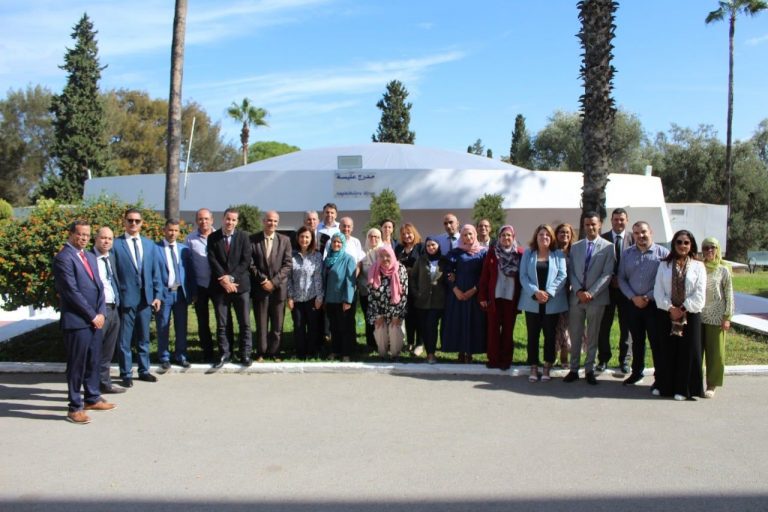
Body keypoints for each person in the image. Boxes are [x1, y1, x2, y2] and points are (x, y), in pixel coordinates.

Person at [53, 220, 115, 424]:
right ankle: (74, 407)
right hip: (78, 322)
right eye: (80, 234)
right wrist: (92, 315)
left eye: (87, 235)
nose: (84, 238)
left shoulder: (89, 256)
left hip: (95, 320)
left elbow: (99, 287)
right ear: (71, 234)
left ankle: (92, 398)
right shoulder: (64, 258)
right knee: (77, 365)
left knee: (93, 361)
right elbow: (71, 292)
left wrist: (101, 312)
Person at [653, 230, 707, 401]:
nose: (682, 245)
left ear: (691, 245)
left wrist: (682, 308)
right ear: (674, 244)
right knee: (667, 350)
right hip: (667, 313)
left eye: (686, 242)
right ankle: (665, 386)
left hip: (690, 314)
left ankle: (684, 389)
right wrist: (671, 308)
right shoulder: (664, 265)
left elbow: (700, 293)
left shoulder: (698, 266)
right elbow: (658, 291)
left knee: (688, 351)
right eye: (679, 242)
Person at [112, 208, 163, 387]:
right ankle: (126, 373)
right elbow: (113, 274)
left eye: (137, 221)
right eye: (130, 220)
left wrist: (158, 295)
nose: (133, 223)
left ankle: (144, 370)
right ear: (124, 222)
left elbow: (156, 272)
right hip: (126, 298)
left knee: (144, 337)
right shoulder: (116, 244)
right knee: (125, 339)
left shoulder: (149, 245)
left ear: (142, 223)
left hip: (146, 299)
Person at [564, 212, 615, 385]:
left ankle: (589, 369)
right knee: (575, 335)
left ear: (599, 224)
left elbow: (607, 274)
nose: (590, 227)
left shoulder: (608, 247)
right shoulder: (576, 246)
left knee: (593, 335)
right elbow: (571, 271)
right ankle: (573, 369)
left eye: (593, 224)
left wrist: (591, 293)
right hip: (576, 298)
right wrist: (578, 291)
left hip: (596, 299)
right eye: (587, 224)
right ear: (583, 226)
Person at [618, 221, 669, 388]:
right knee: (637, 341)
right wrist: (633, 297)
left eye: (644, 232)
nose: (641, 236)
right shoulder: (627, 254)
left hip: (654, 305)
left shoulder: (663, 254)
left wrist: (647, 297)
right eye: (637, 233)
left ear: (651, 232)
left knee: (656, 342)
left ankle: (660, 377)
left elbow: (665, 281)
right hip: (632, 305)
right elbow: (621, 278)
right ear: (633, 235)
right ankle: (636, 373)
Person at [519, 225, 568, 382]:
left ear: (552, 238)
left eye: (547, 234)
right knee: (532, 335)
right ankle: (533, 366)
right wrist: (535, 292)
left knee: (550, 335)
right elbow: (523, 276)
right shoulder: (528, 253)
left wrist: (549, 292)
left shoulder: (558, 254)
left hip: (552, 301)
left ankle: (547, 366)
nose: (544, 237)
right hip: (532, 301)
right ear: (536, 236)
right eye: (541, 234)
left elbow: (562, 275)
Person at [208, 208, 253, 368]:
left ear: (237, 222)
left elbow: (245, 261)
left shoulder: (244, 237)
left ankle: (245, 353)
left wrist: (231, 278)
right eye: (228, 219)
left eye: (234, 220)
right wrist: (224, 280)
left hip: (241, 286)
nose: (230, 222)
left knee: (244, 323)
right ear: (223, 218)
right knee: (223, 323)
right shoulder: (213, 237)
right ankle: (225, 354)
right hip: (220, 287)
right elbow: (212, 260)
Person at [186, 207, 229, 363]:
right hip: (200, 286)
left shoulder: (220, 236)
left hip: (218, 285)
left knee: (222, 320)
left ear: (212, 220)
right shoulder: (190, 239)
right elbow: (188, 264)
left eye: (206, 218)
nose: (203, 221)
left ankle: (224, 352)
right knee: (202, 321)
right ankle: (208, 353)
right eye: (200, 219)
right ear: (197, 220)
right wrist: (192, 289)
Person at [478, 225, 524, 370]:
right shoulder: (492, 253)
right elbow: (485, 276)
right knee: (493, 330)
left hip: (511, 298)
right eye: (503, 235)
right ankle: (493, 359)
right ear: (499, 237)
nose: (506, 238)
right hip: (495, 298)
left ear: (513, 237)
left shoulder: (520, 254)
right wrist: (482, 296)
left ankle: (505, 360)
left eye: (509, 235)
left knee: (508, 331)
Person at [250, 210, 293, 361]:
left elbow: (287, 264)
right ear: (263, 221)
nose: (272, 223)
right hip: (260, 288)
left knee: (277, 324)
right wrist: (263, 280)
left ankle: (274, 352)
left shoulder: (285, 240)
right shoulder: (253, 239)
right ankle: (261, 352)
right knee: (261, 324)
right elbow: (250, 263)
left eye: (275, 221)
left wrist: (273, 282)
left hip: (278, 289)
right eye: (269, 220)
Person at [442, 224, 487, 363]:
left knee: (474, 322)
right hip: (458, 295)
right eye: (465, 235)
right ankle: (461, 351)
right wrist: (455, 289)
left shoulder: (483, 252)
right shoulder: (455, 253)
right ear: (461, 237)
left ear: (475, 235)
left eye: (470, 234)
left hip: (475, 294)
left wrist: (474, 289)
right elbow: (447, 272)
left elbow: (486, 274)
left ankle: (470, 352)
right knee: (459, 322)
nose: (468, 237)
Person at [597, 208, 633, 373]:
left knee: (627, 327)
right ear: (611, 221)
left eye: (622, 219)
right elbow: (598, 263)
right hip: (606, 289)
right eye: (616, 219)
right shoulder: (602, 239)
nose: (619, 222)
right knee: (604, 326)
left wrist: (622, 281)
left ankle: (624, 360)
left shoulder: (633, 238)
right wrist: (610, 278)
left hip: (627, 291)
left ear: (627, 221)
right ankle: (603, 359)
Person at [155, 219, 193, 369]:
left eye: (176, 230)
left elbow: (190, 272)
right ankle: (164, 356)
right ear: (164, 230)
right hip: (165, 293)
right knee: (163, 325)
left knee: (181, 326)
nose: (173, 233)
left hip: (181, 294)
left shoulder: (184, 249)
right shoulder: (155, 248)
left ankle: (181, 355)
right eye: (170, 230)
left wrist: (193, 291)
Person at [91, 226, 125, 394]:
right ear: (96, 239)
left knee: (108, 350)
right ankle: (91, 388)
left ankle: (104, 383)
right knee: (95, 349)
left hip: (114, 307)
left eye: (110, 239)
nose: (106, 241)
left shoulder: (110, 257)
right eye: (103, 238)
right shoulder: (89, 258)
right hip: (99, 309)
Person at [700, 236, 733, 399]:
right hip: (698, 316)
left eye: (712, 247)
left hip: (716, 316)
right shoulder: (698, 267)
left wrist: (727, 317)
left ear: (718, 249)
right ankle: (695, 383)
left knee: (716, 353)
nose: (709, 251)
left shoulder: (723, 269)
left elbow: (729, 294)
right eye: (706, 248)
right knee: (697, 352)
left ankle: (712, 384)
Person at [287, 226, 324, 359]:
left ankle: (311, 352)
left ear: (311, 239)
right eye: (302, 236)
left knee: (313, 326)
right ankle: (300, 353)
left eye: (307, 237)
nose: (304, 239)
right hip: (296, 298)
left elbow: (318, 277)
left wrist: (319, 297)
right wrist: (290, 297)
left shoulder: (317, 256)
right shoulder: (291, 255)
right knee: (298, 325)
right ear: (298, 238)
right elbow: (289, 278)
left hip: (312, 297)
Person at [367, 245, 409, 359]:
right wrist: (378, 315)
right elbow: (371, 295)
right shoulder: (374, 269)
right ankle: (383, 354)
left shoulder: (400, 269)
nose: (385, 259)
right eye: (381, 256)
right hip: (378, 308)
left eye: (387, 256)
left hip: (396, 308)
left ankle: (395, 355)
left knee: (394, 329)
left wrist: (396, 315)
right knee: (380, 329)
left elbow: (404, 295)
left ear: (392, 255)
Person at [323, 232, 358, 362]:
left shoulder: (349, 259)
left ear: (343, 244)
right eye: (334, 241)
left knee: (345, 328)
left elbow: (350, 280)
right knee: (334, 327)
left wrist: (347, 300)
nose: (336, 244)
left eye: (339, 242)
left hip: (343, 300)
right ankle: (335, 350)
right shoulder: (327, 260)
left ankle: (346, 353)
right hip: (330, 299)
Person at [411, 237, 446, 364]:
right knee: (424, 328)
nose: (431, 247)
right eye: (428, 245)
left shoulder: (444, 261)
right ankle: (428, 351)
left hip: (438, 302)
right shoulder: (421, 260)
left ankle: (431, 354)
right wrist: (416, 293)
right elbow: (413, 277)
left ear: (438, 246)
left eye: (433, 245)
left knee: (431, 326)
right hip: (422, 301)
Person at [395, 222, 424, 354]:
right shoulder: (399, 248)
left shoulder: (421, 247)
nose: (406, 236)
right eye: (403, 234)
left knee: (419, 315)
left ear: (414, 233)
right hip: (403, 287)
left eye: (409, 233)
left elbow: (424, 265)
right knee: (408, 315)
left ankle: (420, 344)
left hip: (418, 287)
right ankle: (410, 342)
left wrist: (410, 270)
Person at [358, 228, 384, 350]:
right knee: (368, 318)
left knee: (380, 317)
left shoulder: (384, 251)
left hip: (381, 292)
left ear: (380, 238)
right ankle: (370, 343)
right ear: (367, 238)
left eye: (376, 237)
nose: (373, 239)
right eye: (371, 236)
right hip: (365, 290)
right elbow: (359, 271)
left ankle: (382, 343)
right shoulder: (361, 253)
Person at [554, 223, 575, 367]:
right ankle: (553, 354)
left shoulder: (575, 252)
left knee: (567, 326)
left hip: (570, 294)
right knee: (555, 326)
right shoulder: (552, 252)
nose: (565, 235)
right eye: (562, 232)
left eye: (567, 232)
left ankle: (564, 356)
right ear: (556, 234)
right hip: (554, 294)